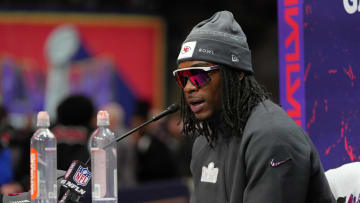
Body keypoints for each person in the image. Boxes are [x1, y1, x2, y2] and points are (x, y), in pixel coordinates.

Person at [172, 11, 336, 203]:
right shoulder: (204, 141)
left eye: (199, 74)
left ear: (237, 72)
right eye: (183, 77)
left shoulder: (272, 136)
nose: (190, 87)